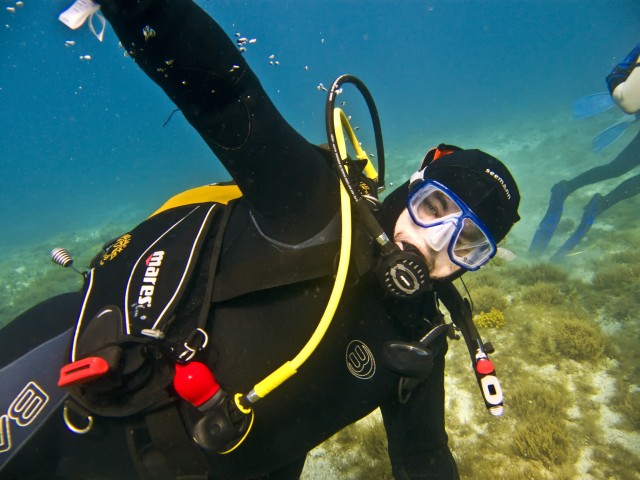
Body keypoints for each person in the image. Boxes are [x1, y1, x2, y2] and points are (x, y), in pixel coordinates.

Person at [0, 0, 521, 478]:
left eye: (467, 243)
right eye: (433, 209)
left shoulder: (420, 341)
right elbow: (226, 97)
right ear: (409, 191)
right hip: (63, 397)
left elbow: (423, 457)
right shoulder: (314, 203)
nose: (433, 245)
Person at [529, 41, 640, 259]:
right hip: (627, 89)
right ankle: (571, 190)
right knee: (617, 168)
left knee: (617, 168)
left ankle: (588, 198)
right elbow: (627, 101)